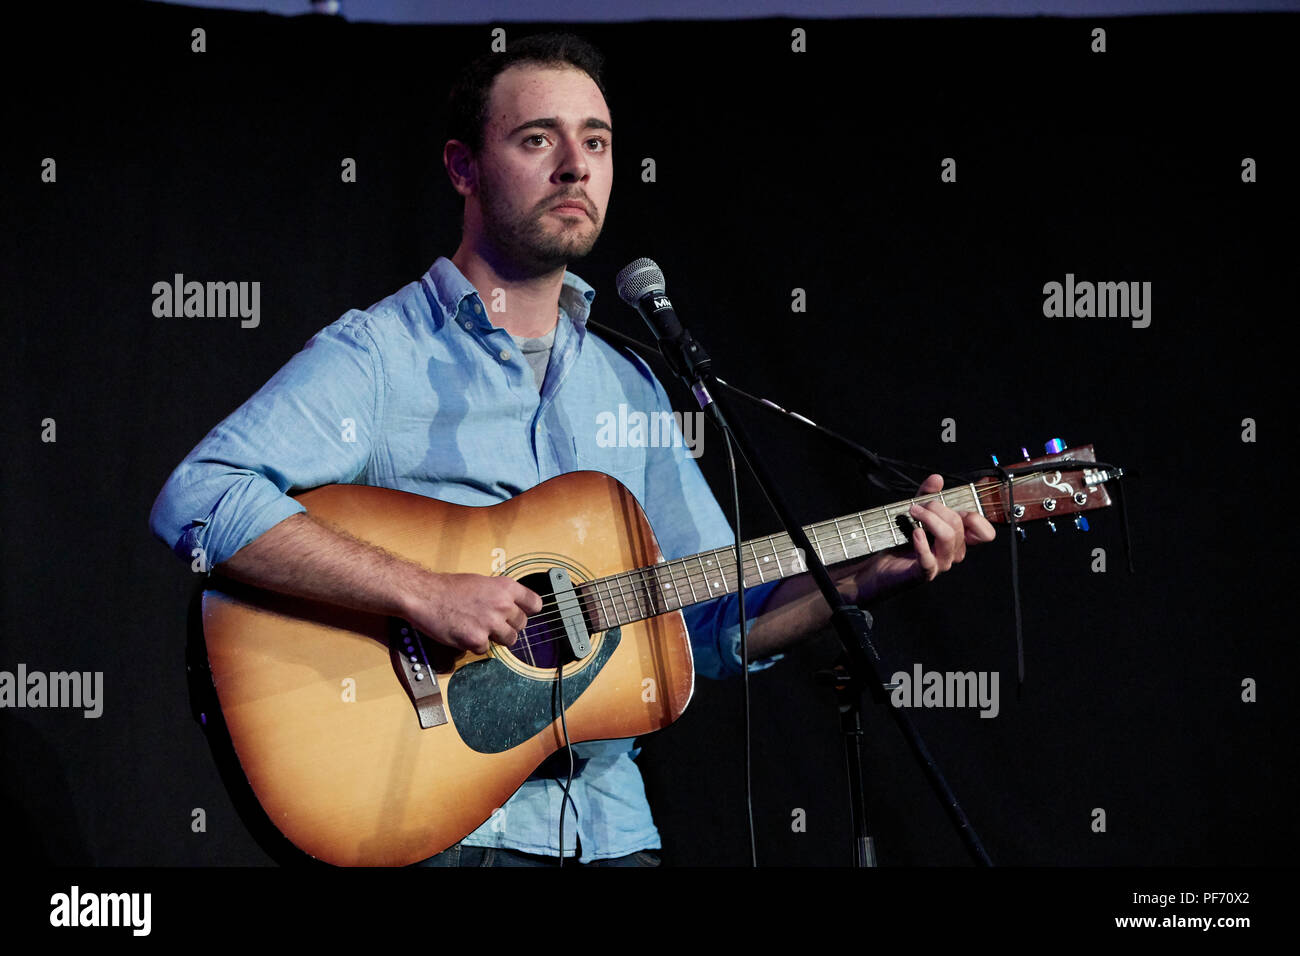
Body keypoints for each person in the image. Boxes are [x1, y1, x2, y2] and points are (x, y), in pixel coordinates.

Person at [149, 32, 995, 867]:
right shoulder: (382, 354)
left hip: (612, 831)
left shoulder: (627, 386)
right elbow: (202, 495)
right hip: (438, 829)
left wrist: (863, 578)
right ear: (461, 167)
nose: (575, 166)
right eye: (536, 139)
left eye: (596, 141)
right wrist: (421, 592)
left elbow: (705, 623)